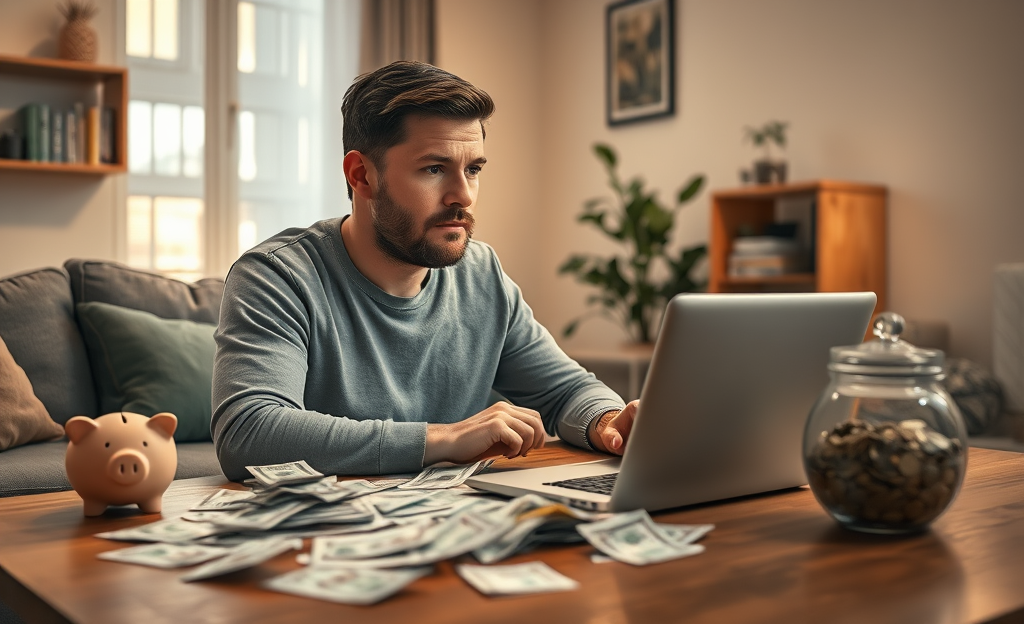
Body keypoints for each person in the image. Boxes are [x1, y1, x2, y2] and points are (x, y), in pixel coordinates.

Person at [211, 61, 638, 481]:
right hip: (323, 539)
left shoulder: (481, 274)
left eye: (473, 169)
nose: (464, 195)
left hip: (458, 527)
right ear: (362, 175)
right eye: (434, 169)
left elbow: (565, 390)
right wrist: (443, 439)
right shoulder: (275, 277)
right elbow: (249, 432)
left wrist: (609, 422)